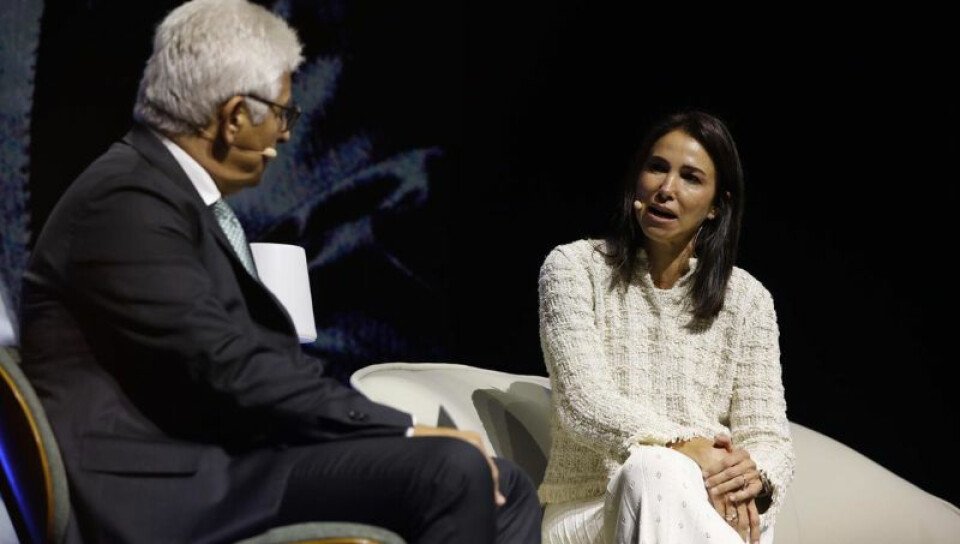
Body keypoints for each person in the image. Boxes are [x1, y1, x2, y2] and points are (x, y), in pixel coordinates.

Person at [18, 1, 540, 542]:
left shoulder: (166, 195)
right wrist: (403, 429)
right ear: (234, 117)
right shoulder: (125, 201)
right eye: (282, 113)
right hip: (169, 491)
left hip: (231, 463)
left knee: (506, 485)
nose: (287, 135)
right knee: (451, 469)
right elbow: (225, 362)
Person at [536, 111, 794, 544]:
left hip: (706, 496)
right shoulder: (573, 268)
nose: (666, 189)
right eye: (657, 168)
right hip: (593, 507)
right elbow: (583, 403)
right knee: (654, 468)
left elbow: (769, 437)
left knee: (745, 505)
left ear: (716, 206)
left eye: (690, 178)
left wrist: (748, 477)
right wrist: (682, 446)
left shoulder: (748, 300)